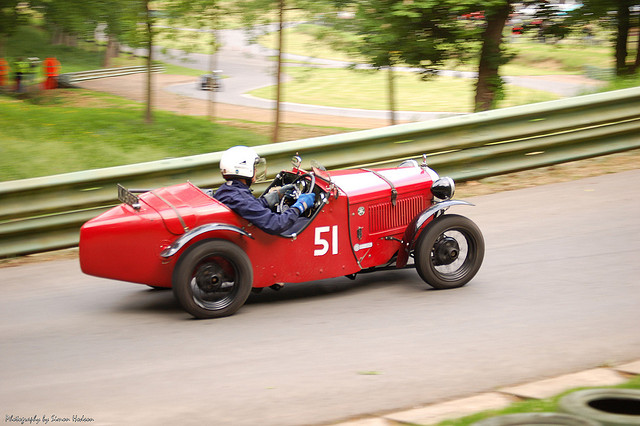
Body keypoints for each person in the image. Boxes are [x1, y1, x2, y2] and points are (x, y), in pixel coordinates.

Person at [213, 146, 315, 235]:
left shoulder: (228, 190)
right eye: (254, 167)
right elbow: (275, 224)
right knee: (305, 222)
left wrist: (274, 197)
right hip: (259, 239)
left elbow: (250, 207)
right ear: (244, 169)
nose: (256, 170)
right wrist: (300, 206)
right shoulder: (238, 197)